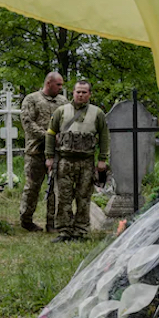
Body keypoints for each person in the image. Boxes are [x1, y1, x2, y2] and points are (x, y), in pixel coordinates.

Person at [45, 80, 109, 242]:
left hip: (86, 162)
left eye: (84, 92)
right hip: (65, 162)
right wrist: (49, 157)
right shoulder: (61, 111)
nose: (80, 95)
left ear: (89, 94)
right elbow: (51, 134)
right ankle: (65, 231)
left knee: (83, 198)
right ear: (73, 93)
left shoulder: (98, 113)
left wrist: (102, 160)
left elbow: (104, 137)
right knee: (63, 198)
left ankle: (80, 231)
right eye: (78, 92)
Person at [18, 71, 68, 232]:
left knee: (55, 188)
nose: (61, 88)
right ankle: (26, 219)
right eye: (58, 84)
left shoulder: (62, 101)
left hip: (56, 151)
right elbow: (28, 123)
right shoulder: (32, 100)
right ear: (49, 83)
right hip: (36, 151)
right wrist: (49, 135)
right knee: (33, 187)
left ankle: (52, 223)